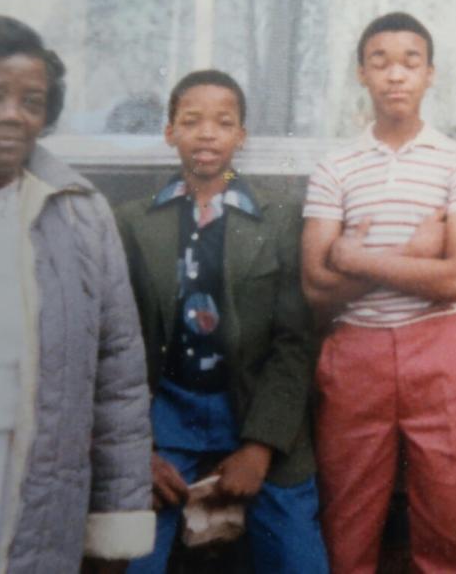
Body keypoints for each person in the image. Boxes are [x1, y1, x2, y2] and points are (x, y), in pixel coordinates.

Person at [301, 12, 456, 573]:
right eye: (380, 61)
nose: (396, 75)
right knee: (348, 514)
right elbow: (316, 285)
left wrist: (358, 259)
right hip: (355, 351)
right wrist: (413, 258)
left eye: (411, 61)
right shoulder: (335, 168)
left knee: (454, 515)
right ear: (362, 73)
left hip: (442, 347)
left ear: (431, 74)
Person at [117, 70, 327, 573]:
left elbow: (294, 342)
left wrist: (259, 448)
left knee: (300, 560)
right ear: (171, 132)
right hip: (166, 413)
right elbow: (116, 344)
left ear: (241, 136)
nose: (207, 133)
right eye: (191, 121)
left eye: (223, 122)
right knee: (136, 558)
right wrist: (135, 450)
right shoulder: (133, 220)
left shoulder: (277, 218)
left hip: (255, 408)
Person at [0, 14, 154, 573]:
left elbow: (119, 382)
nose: (11, 115)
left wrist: (116, 526)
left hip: (32, 480)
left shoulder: (77, 212)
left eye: (32, 100)